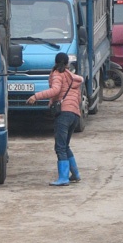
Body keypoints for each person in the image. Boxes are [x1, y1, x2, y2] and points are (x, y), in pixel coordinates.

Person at [29, 51, 84, 186]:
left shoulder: (57, 75)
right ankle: (75, 174)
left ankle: (63, 178)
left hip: (64, 114)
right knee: (65, 145)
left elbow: (55, 90)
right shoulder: (73, 77)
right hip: (74, 114)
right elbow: (77, 98)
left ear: (55, 62)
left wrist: (36, 96)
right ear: (67, 64)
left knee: (59, 147)